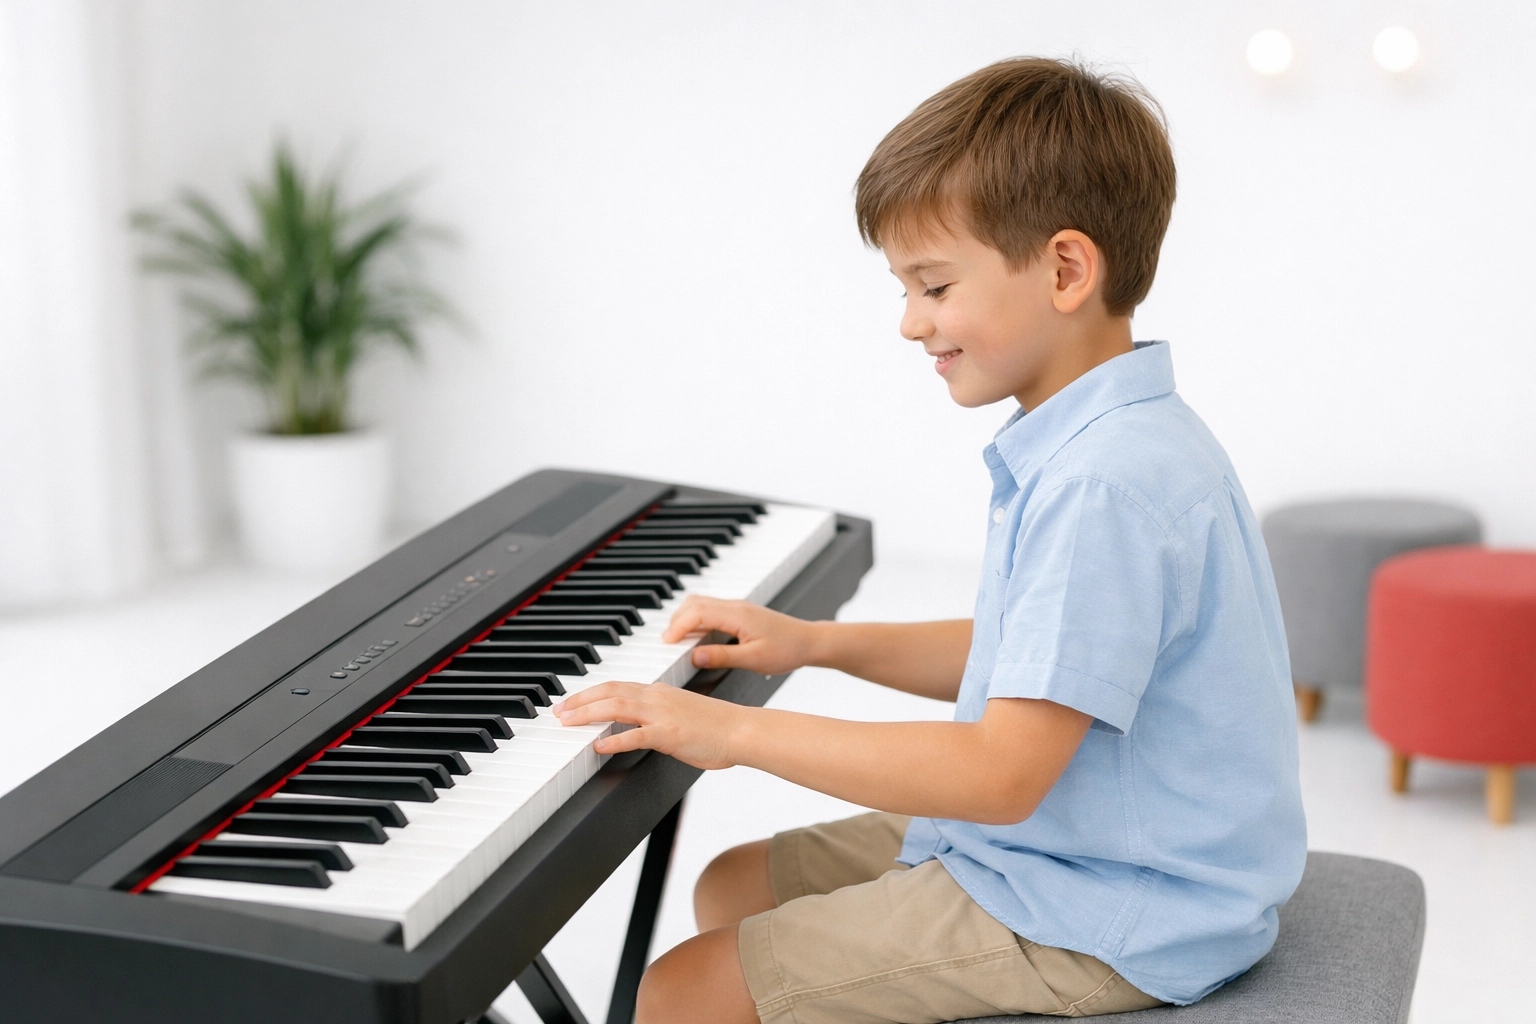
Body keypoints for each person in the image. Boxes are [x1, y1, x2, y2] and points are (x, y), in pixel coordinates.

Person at [555, 56, 1306, 1024]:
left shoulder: (1102, 482)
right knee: (736, 884)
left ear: (1066, 269)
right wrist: (816, 642)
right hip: (1081, 841)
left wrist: (732, 731)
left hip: (1118, 900)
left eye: (934, 284)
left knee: (683, 990)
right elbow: (1028, 660)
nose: (912, 322)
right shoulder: (1114, 434)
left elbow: (999, 771)